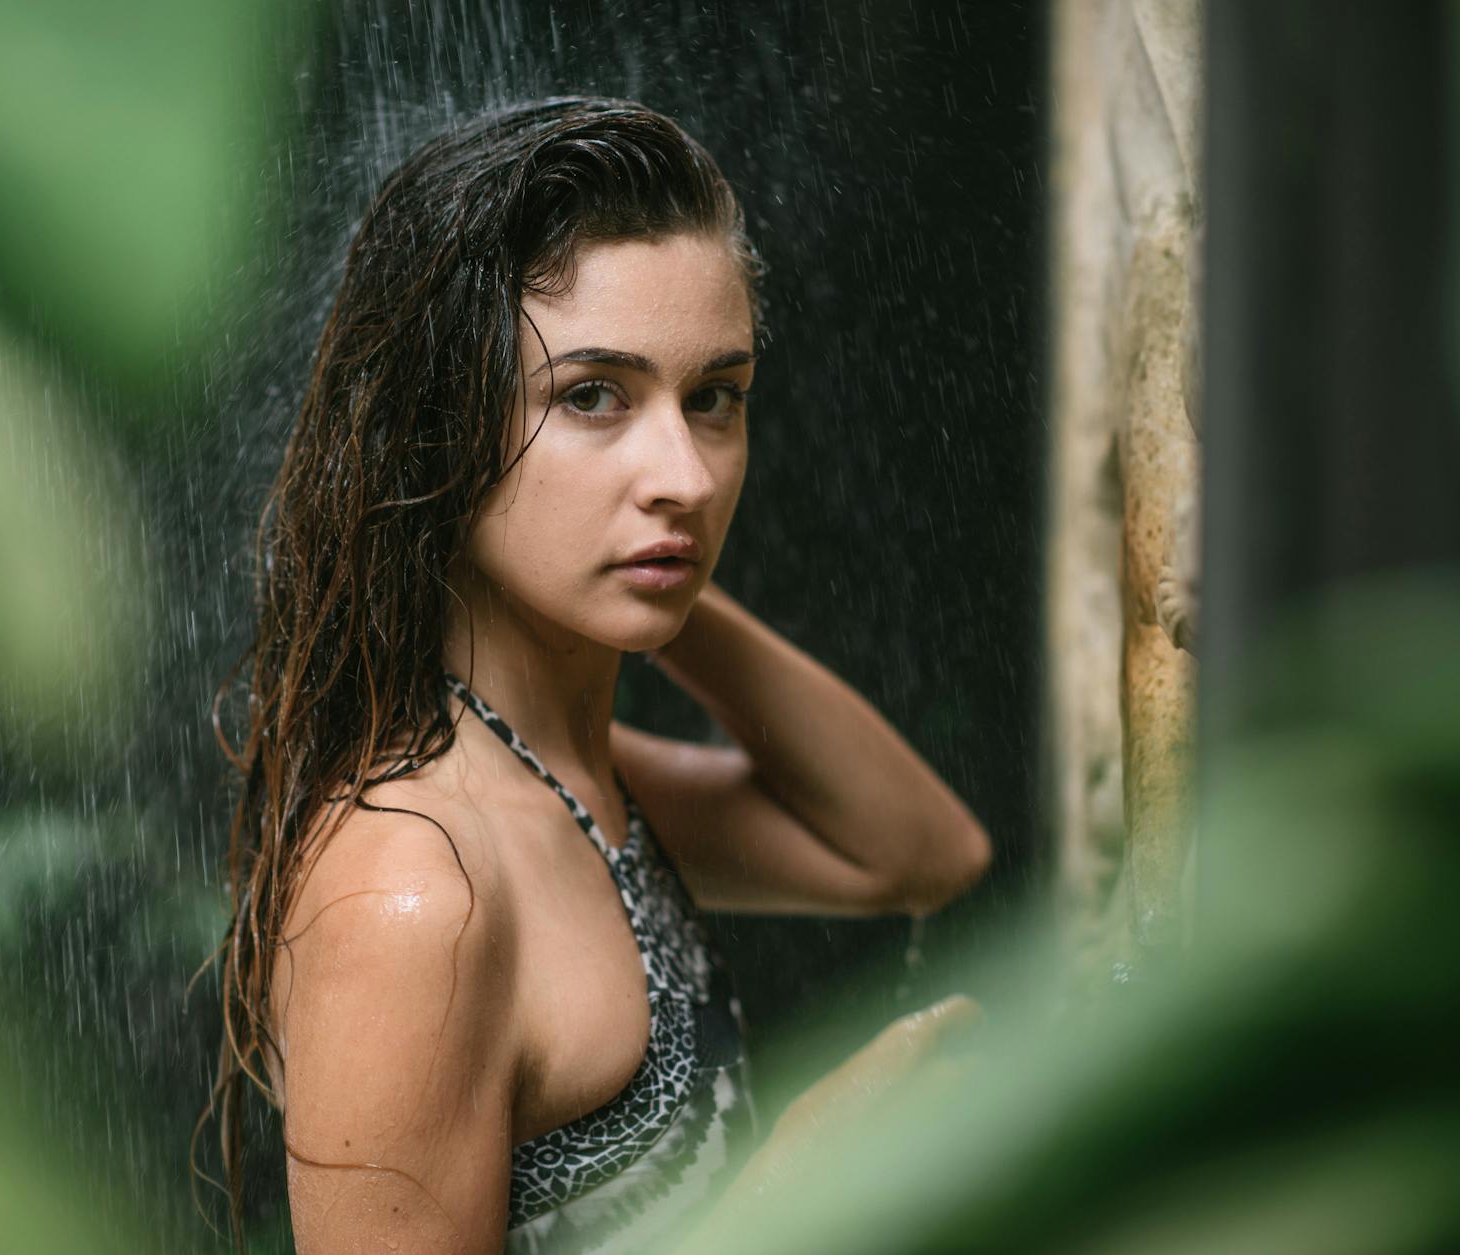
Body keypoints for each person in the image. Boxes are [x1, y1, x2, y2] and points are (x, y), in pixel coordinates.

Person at [208, 96, 992, 1254]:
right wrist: (798, 1186)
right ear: (436, 428)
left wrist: (655, 581)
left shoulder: (563, 772)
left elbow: (920, 855)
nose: (681, 471)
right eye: (591, 396)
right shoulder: (414, 895)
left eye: (713, 397)